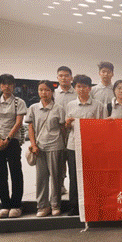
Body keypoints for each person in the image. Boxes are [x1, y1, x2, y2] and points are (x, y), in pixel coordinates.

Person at [0, 74, 27, 219]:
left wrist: (7, 139)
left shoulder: (18, 102)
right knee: (0, 173)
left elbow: (18, 122)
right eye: (3, 84)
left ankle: (16, 204)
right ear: (0, 86)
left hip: (13, 141)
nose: (7, 86)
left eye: (9, 84)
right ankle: (4, 204)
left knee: (16, 172)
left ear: (14, 86)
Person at [65, 74, 107, 216]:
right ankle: (74, 206)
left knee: (92, 176)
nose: (81, 89)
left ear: (89, 88)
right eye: (78, 87)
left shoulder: (98, 106)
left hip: (92, 147)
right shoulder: (70, 105)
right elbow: (67, 126)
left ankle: (93, 204)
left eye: (84, 87)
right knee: (74, 176)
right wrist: (68, 123)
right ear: (75, 88)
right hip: (73, 145)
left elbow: (103, 127)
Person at [25, 80, 66, 217]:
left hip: (56, 146)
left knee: (56, 177)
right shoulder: (33, 108)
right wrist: (33, 145)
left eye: (47, 90)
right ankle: (42, 206)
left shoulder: (59, 108)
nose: (44, 93)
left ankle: (55, 205)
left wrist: (64, 146)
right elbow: (31, 128)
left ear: (52, 92)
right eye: (41, 90)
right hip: (39, 148)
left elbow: (63, 129)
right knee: (41, 178)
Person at [54, 65, 76, 196]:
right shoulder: (53, 94)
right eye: (61, 76)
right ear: (57, 78)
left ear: (71, 78)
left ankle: (75, 190)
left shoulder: (78, 92)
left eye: (67, 75)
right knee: (59, 162)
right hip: (58, 132)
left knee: (74, 163)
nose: (64, 78)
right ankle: (60, 186)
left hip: (74, 132)